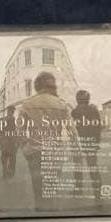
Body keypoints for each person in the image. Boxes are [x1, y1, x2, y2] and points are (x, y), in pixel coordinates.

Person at [17, 71, 77, 210]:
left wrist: (26, 149)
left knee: (38, 192)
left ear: (37, 85)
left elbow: (19, 131)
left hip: (35, 153)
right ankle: (52, 214)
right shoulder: (62, 104)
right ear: (52, 85)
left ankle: (40, 215)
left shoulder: (27, 104)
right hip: (55, 153)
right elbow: (72, 132)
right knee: (51, 190)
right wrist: (76, 152)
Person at [71, 90, 103, 200]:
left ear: (77, 99)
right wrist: (96, 143)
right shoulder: (94, 111)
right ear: (88, 99)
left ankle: (78, 190)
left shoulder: (74, 112)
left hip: (78, 143)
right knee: (93, 167)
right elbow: (98, 128)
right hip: (91, 143)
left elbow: (72, 129)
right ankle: (98, 193)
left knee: (78, 167)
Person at [0, 105, 19, 179]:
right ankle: (7, 173)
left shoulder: (13, 120)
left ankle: (7, 173)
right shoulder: (6, 120)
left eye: (12, 111)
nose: (11, 112)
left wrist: (0, 141)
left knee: (8, 159)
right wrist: (0, 141)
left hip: (9, 143)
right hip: (8, 143)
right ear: (8, 111)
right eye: (11, 111)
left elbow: (17, 132)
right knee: (7, 159)